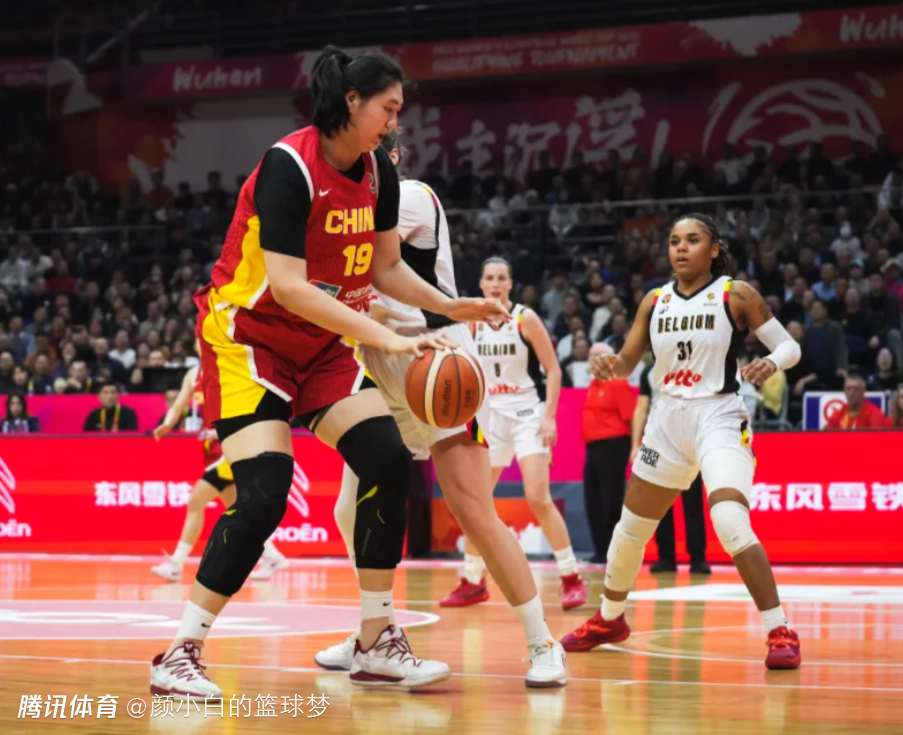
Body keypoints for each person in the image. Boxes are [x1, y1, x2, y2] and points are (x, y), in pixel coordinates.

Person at [150, 46, 510, 699]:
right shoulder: (287, 165)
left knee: (387, 460)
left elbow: (385, 269)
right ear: (351, 101)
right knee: (264, 493)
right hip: (249, 339)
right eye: (387, 109)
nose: (394, 123)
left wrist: (450, 306)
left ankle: (376, 640)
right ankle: (180, 652)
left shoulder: (379, 173)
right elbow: (289, 287)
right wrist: (386, 337)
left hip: (320, 344)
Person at [313, 134, 566, 687]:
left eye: (371, 152)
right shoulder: (343, 204)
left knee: (474, 513)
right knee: (348, 510)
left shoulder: (410, 198)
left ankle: (543, 643)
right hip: (376, 361)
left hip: (435, 363)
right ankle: (374, 632)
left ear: (391, 158)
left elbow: (350, 262)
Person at [560, 213, 803, 670]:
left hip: (718, 416)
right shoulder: (654, 301)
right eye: (675, 241)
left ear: (714, 249)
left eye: (693, 240)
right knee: (629, 531)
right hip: (666, 420)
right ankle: (609, 618)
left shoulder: (735, 293)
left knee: (729, 520)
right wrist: (608, 365)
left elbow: (790, 347)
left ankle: (780, 629)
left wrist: (772, 363)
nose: (681, 248)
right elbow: (627, 362)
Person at [441, 258, 587, 611]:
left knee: (538, 497)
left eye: (501, 278)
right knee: (476, 503)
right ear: (481, 284)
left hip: (526, 414)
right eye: (489, 278)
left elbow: (553, 369)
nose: (495, 284)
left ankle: (571, 577)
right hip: (489, 416)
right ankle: (473, 580)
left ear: (510, 284)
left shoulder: (525, 318)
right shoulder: (470, 323)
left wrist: (549, 416)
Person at [150, 362, 287, 583]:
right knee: (240, 510)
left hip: (231, 445)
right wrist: (167, 424)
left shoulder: (230, 363)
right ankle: (273, 556)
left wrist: (234, 429)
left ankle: (176, 564)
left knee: (196, 501)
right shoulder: (193, 374)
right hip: (211, 448)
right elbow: (178, 405)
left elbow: (249, 403)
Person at [633, 362, 710, 574]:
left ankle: (698, 558)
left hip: (688, 442)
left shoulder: (693, 366)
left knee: (693, 503)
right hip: (657, 443)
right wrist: (634, 445)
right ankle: (666, 557)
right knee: (659, 504)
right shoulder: (649, 372)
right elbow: (641, 408)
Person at [582, 342, 635, 564]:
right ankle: (600, 550)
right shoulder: (593, 385)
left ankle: (614, 551)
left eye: (598, 355)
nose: (593, 359)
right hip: (592, 447)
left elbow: (631, 418)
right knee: (592, 498)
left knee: (611, 498)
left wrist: (634, 447)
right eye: (591, 355)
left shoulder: (618, 383)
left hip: (614, 445)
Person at [824, 374, 889, 430]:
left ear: (863, 391)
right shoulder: (839, 413)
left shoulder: (874, 413)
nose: (852, 392)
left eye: (856, 388)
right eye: (848, 388)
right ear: (845, 391)